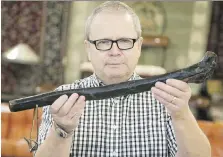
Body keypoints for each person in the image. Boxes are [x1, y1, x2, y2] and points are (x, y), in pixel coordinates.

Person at [35, 1, 211, 157]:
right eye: (103, 42)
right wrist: (62, 130)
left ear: (139, 46)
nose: (115, 51)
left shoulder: (167, 100)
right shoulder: (63, 100)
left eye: (125, 41)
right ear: (88, 49)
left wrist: (181, 115)